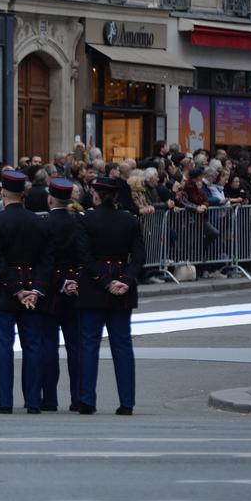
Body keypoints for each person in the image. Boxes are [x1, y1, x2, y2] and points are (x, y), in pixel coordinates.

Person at [75, 176, 144, 415]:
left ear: (96, 194)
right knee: (122, 345)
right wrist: (125, 280)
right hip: (122, 284)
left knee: (89, 344)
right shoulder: (130, 220)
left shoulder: (87, 220)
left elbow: (84, 256)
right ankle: (127, 402)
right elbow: (139, 257)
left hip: (95, 286)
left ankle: (86, 400)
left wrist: (105, 280)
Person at [0, 170, 53, 414]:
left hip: (6, 290)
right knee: (33, 345)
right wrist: (34, 289)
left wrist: (15, 289)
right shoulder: (38, 222)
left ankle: (5, 401)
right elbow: (47, 260)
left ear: (3, 193)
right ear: (23, 194)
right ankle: (33, 400)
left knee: (4, 345)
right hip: (32, 287)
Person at [38, 178, 83, 412]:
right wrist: (73, 281)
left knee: (49, 346)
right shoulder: (78, 222)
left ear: (49, 199)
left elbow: (44, 262)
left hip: (50, 289)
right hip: (74, 288)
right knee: (75, 347)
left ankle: (49, 398)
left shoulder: (44, 224)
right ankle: (78, 397)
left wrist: (60, 281)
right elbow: (84, 257)